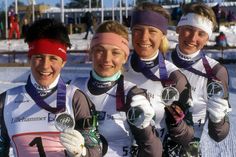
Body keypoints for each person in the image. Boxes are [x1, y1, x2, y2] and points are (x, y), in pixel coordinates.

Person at [0, 18, 102, 157]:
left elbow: (95, 151)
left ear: (63, 62)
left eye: (53, 58)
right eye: (39, 57)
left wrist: (82, 153)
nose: (45, 66)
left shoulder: (76, 98)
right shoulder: (5, 101)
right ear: (30, 58)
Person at [71, 20, 163, 157]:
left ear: (125, 57)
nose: (107, 59)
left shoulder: (133, 94)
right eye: (100, 50)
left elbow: (154, 153)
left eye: (115, 53)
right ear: (91, 53)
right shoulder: (72, 89)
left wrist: (144, 127)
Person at [123, 2, 194, 157]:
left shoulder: (174, 78)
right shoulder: (118, 70)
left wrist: (176, 123)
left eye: (152, 31)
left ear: (162, 35)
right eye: (138, 30)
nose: (144, 37)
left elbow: (188, 136)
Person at [169, 2, 231, 156]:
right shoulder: (159, 60)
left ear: (207, 38)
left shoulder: (215, 71)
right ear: (179, 29)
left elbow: (219, 135)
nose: (193, 38)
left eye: (201, 33)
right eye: (188, 29)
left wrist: (218, 119)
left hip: (187, 149)